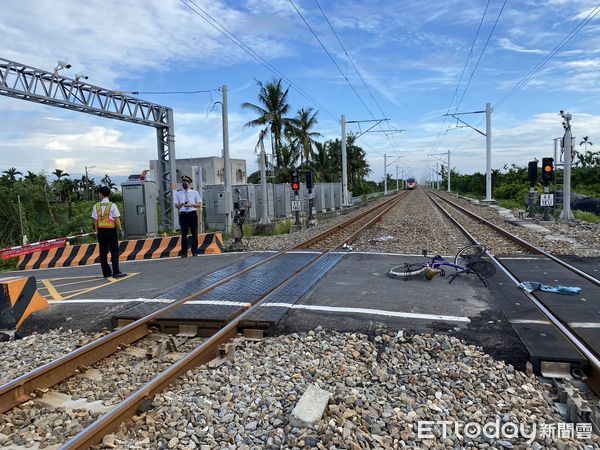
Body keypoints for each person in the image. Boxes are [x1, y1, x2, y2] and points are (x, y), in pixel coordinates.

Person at [92, 186, 127, 278]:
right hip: (111, 230)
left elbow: (95, 220)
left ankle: (106, 273)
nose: (99, 195)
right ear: (108, 194)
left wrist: (97, 231)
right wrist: (120, 230)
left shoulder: (96, 206)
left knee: (103, 252)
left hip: (101, 231)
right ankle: (116, 272)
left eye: (99, 193)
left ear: (102, 194)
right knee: (114, 251)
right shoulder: (112, 205)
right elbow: (116, 219)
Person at [175, 175, 202, 257]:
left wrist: (192, 204)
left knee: (194, 232)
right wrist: (182, 204)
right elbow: (176, 206)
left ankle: (194, 251)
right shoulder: (178, 193)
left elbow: (199, 204)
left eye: (186, 182)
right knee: (184, 233)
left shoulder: (194, 192)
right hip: (183, 214)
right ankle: (184, 253)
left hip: (192, 213)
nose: (185, 183)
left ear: (189, 183)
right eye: (183, 182)